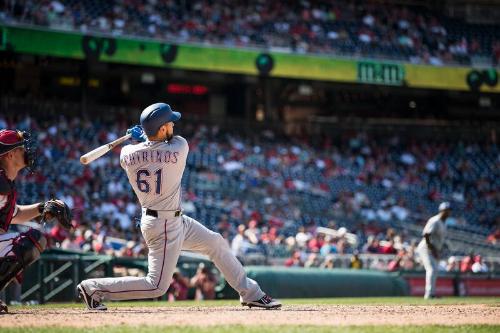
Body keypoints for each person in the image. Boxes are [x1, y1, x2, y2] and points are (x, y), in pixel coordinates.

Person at [77, 103, 281, 310]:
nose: (173, 126)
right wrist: (145, 137)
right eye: (170, 123)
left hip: (168, 219)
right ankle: (93, 287)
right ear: (163, 128)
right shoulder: (180, 146)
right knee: (156, 286)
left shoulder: (126, 154)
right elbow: (162, 144)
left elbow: (143, 148)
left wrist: (138, 137)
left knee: (215, 243)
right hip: (164, 224)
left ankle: (251, 294)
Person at [0, 129, 72, 313]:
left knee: (34, 239)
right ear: (9, 154)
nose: (27, 151)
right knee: (32, 240)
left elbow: (14, 214)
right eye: (21, 148)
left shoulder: (5, 182)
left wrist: (43, 207)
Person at [416, 201, 450, 299]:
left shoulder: (444, 223)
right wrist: (431, 248)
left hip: (434, 249)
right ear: (441, 211)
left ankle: (432, 293)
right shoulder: (434, 220)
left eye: (449, 211)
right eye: (446, 211)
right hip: (426, 248)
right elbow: (426, 234)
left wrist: (440, 248)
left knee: (435, 270)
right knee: (431, 269)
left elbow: (440, 239)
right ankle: (429, 294)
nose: (448, 213)